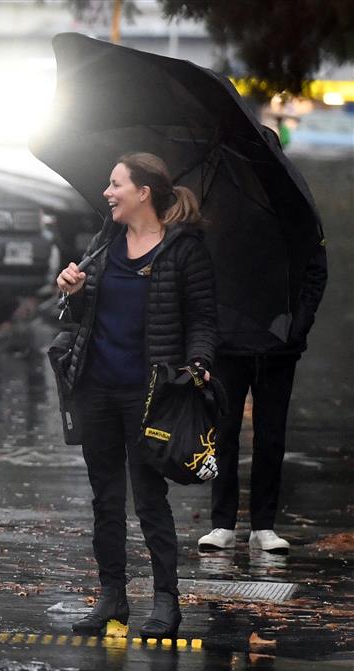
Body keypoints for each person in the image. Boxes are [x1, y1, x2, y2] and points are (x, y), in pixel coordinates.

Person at [55, 152, 217, 639]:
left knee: (149, 498)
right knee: (106, 499)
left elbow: (204, 321)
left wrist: (199, 365)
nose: (108, 193)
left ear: (143, 192)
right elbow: (76, 315)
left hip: (150, 397)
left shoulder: (184, 250)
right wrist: (73, 290)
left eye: (115, 184)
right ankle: (112, 597)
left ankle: (166, 600)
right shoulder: (104, 243)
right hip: (96, 389)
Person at [198, 244, 327, 555]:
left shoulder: (295, 215)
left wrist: (298, 326)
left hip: (278, 344)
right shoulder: (222, 210)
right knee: (223, 433)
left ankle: (263, 525)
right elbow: (201, 271)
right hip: (229, 344)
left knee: (270, 437)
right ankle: (223, 524)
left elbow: (316, 271)